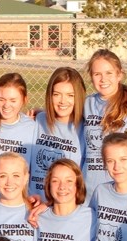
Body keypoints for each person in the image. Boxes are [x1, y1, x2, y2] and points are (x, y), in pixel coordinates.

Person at [82, 49, 127, 203]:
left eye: (109, 73)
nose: (103, 79)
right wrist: (41, 113)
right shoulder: (87, 103)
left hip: (122, 189)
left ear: (120, 74)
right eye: (97, 74)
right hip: (89, 189)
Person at [30, 67, 86, 196]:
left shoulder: (85, 129)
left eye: (70, 95)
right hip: (34, 202)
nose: (62, 101)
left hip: (65, 205)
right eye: (56, 94)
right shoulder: (38, 120)